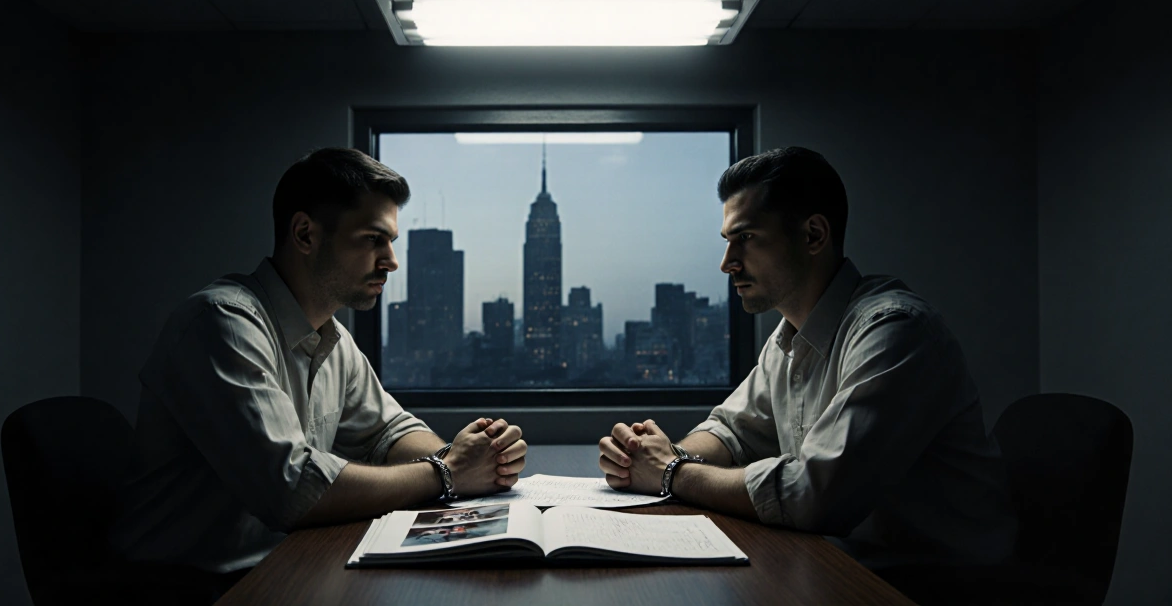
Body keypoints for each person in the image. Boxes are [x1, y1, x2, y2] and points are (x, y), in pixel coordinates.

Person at [111, 148, 527, 594]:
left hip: (281, 564)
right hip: (188, 587)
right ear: (305, 234)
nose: (391, 261)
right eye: (372, 239)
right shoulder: (221, 323)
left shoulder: (332, 338)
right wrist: (448, 472)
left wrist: (465, 456)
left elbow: (388, 433)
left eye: (391, 242)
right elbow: (291, 489)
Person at [597, 147, 1016, 570]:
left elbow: (815, 495)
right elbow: (732, 433)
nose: (727, 263)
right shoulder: (789, 340)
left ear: (814, 235)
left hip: (937, 585)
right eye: (728, 242)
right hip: (842, 566)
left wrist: (672, 472)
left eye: (746, 238)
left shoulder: (896, 331)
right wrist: (653, 454)